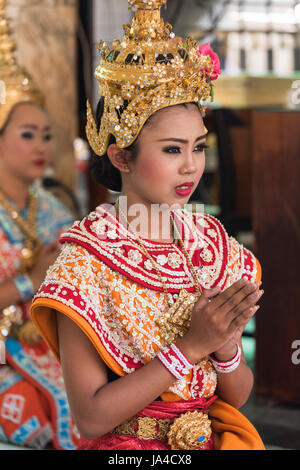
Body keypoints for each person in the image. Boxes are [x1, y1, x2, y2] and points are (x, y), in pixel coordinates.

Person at [31, 0, 265, 450]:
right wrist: (190, 348)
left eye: (199, 147)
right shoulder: (85, 264)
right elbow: (91, 418)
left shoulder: (211, 245)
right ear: (121, 156)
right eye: (172, 150)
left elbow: (236, 396)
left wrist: (224, 347)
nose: (192, 167)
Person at [0, 1, 78, 449]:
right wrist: (30, 280)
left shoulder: (50, 208)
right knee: (32, 416)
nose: (41, 146)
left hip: (48, 343)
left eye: (46, 134)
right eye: (27, 134)